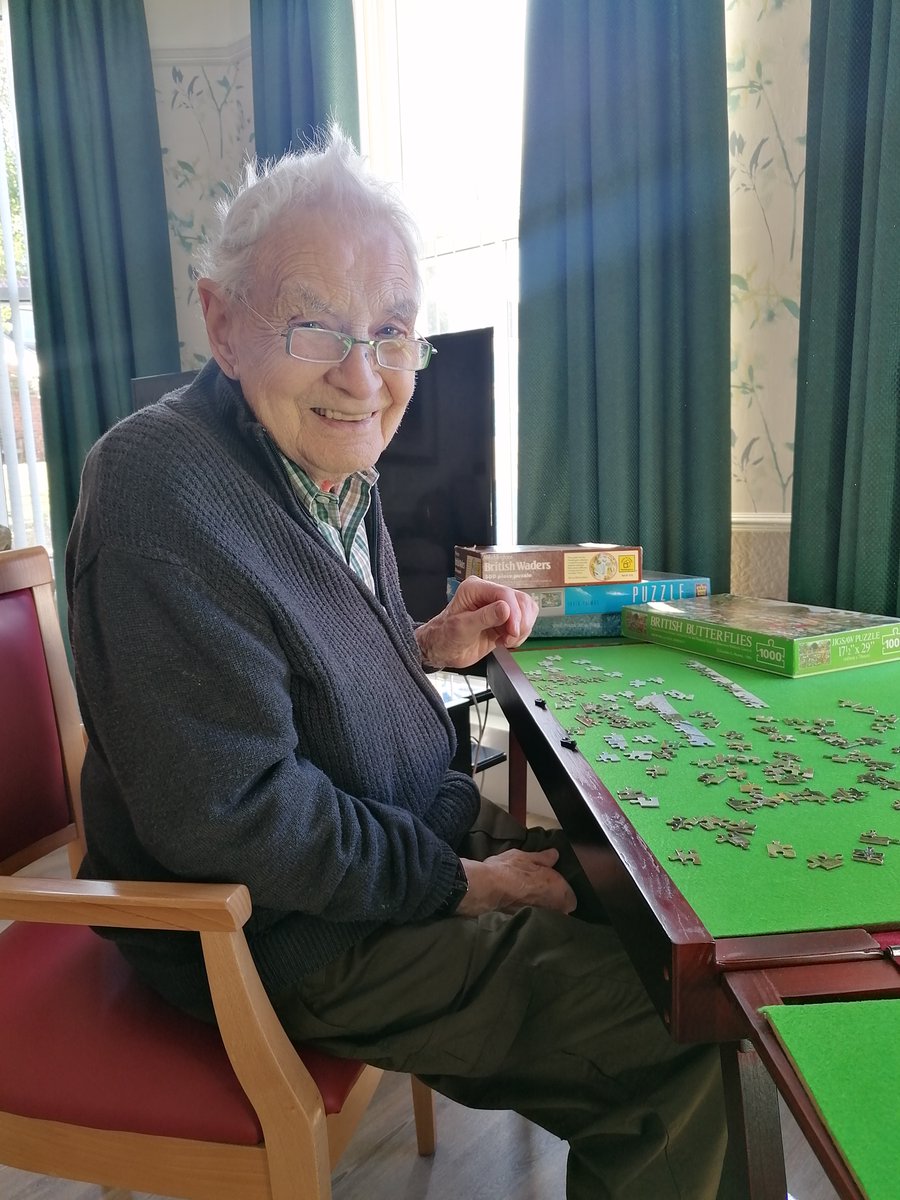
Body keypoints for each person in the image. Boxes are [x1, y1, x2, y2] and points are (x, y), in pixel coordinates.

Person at [66, 127, 727, 1199]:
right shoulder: (156, 489)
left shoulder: (328, 464)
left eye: (393, 331)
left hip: (394, 845)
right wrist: (464, 887)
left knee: (668, 911)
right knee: (678, 1037)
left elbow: (276, 671)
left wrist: (423, 646)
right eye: (315, 325)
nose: (365, 375)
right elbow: (237, 813)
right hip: (282, 934)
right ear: (223, 323)